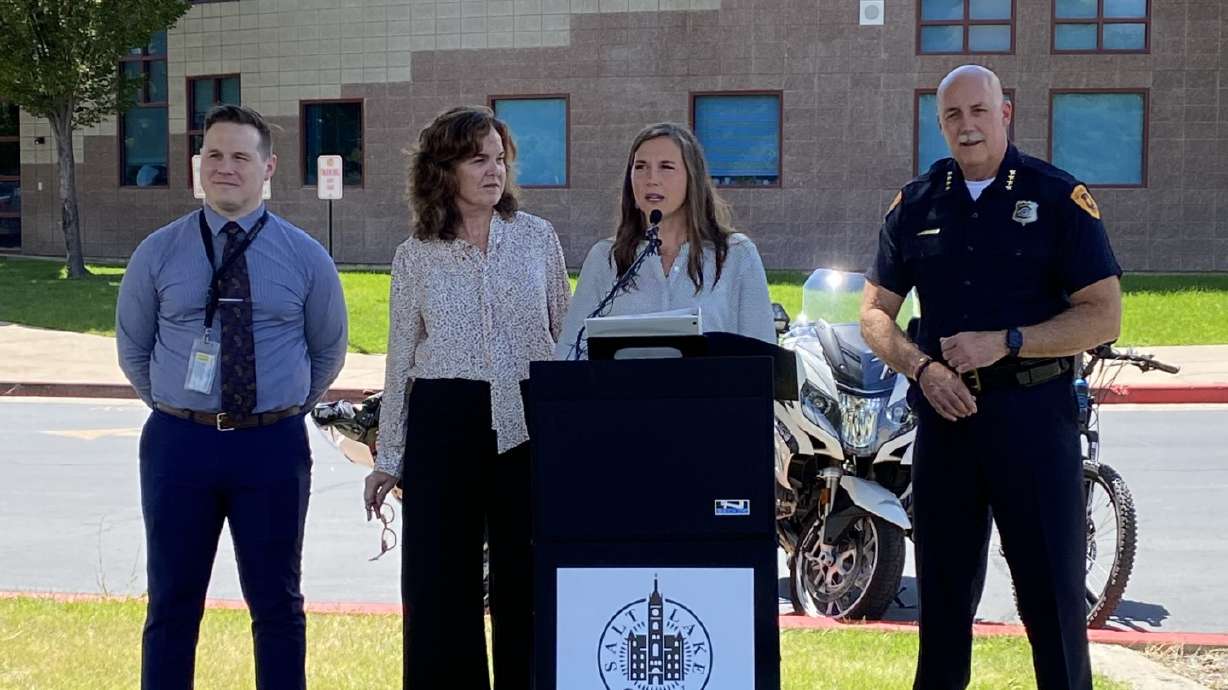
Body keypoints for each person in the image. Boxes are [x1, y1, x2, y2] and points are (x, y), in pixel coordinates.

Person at [859, 65, 1123, 690]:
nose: (966, 126)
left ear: (1005, 113)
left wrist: (1008, 343)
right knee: (944, 605)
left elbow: (1103, 315)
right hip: (946, 425)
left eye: (979, 111)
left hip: (1033, 423)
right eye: (953, 115)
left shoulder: (1058, 198)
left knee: (1051, 603)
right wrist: (921, 369)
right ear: (940, 123)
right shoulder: (917, 202)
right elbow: (874, 314)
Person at [116, 104, 348, 690]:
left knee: (277, 605)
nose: (225, 167)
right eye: (213, 155)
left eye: (240, 156)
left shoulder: (305, 258)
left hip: (271, 447)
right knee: (171, 604)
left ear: (267, 166)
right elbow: (134, 350)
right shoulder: (158, 253)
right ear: (198, 165)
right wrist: (183, 409)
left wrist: (277, 409)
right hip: (179, 445)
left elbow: (327, 353)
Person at [363, 105, 571, 688]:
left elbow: (564, 337)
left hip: (526, 421)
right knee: (439, 585)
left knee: (525, 579)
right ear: (443, 168)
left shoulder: (537, 239)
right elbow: (400, 361)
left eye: (500, 158)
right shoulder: (415, 255)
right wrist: (388, 459)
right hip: (443, 421)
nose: (493, 170)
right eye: (478, 158)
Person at [556, 122, 774, 360]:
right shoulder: (605, 257)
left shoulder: (736, 255)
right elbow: (569, 354)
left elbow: (763, 361)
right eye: (640, 167)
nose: (651, 179)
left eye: (666, 167)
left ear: (692, 178)